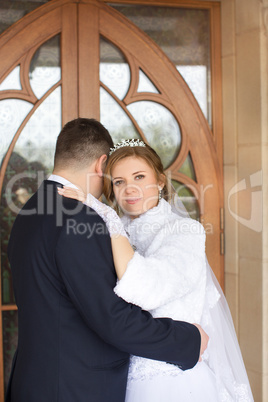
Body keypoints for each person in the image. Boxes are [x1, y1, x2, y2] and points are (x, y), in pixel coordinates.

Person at [6, 119, 208, 402]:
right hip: (73, 388)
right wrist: (187, 340)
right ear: (102, 165)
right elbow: (112, 318)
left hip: (35, 380)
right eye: (118, 179)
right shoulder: (79, 217)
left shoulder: (29, 210)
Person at [59, 138, 254, 401]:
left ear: (160, 181)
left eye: (139, 177)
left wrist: (109, 218)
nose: (130, 189)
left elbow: (148, 289)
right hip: (119, 379)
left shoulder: (185, 231)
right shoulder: (112, 232)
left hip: (171, 380)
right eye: (119, 182)